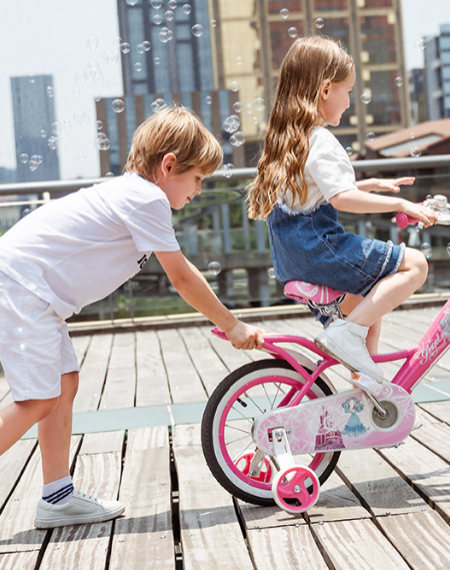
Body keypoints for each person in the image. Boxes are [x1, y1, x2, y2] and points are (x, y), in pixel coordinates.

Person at [0, 106, 263, 529]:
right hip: (22, 288)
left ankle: (57, 496)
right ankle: (57, 496)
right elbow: (181, 276)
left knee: (63, 384)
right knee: (38, 399)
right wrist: (233, 324)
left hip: (32, 292)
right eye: (197, 179)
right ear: (169, 165)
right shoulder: (147, 197)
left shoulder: (133, 193)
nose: (198, 190)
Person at [247, 36, 436, 384]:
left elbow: (312, 194)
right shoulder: (321, 140)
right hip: (320, 250)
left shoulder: (292, 140)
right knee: (416, 264)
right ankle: (345, 339)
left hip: (294, 259)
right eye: (348, 91)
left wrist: (371, 184)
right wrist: (399, 202)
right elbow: (340, 200)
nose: (350, 102)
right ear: (325, 89)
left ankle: (367, 394)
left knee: (366, 311)